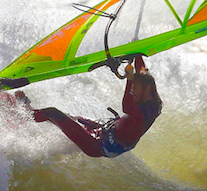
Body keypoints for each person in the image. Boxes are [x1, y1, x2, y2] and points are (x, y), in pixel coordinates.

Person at [18, 56, 162, 158]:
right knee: (70, 119)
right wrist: (136, 54)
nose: (133, 93)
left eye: (135, 90)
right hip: (105, 130)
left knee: (52, 113)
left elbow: (127, 106)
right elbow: (142, 71)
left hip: (96, 145)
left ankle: (22, 114)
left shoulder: (142, 117)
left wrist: (130, 80)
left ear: (147, 90)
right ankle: (32, 113)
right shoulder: (151, 98)